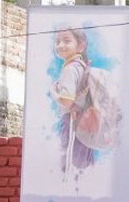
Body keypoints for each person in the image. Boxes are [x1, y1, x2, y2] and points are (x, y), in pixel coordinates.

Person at [50, 28, 95, 176]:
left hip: (72, 121)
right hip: (85, 121)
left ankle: (69, 191)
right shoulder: (83, 66)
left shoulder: (70, 69)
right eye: (58, 42)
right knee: (84, 160)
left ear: (80, 46)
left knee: (71, 161)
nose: (60, 45)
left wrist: (54, 93)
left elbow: (67, 102)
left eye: (67, 41)